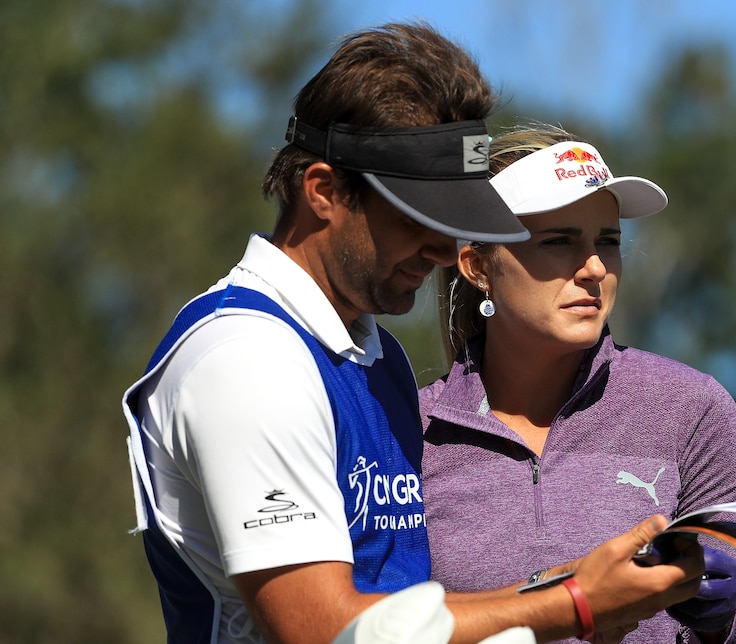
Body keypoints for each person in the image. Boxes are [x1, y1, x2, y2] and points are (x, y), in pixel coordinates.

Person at [121, 23, 706, 643]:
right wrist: (574, 605)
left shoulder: (379, 358)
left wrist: (571, 586)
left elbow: (404, 614)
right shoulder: (248, 360)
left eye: (455, 218)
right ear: (323, 191)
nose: (447, 249)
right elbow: (323, 630)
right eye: (418, 216)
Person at [420, 124, 736, 643]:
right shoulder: (408, 429)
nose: (595, 268)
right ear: (477, 266)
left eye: (609, 240)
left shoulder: (692, 410)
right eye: (559, 241)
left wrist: (725, 611)